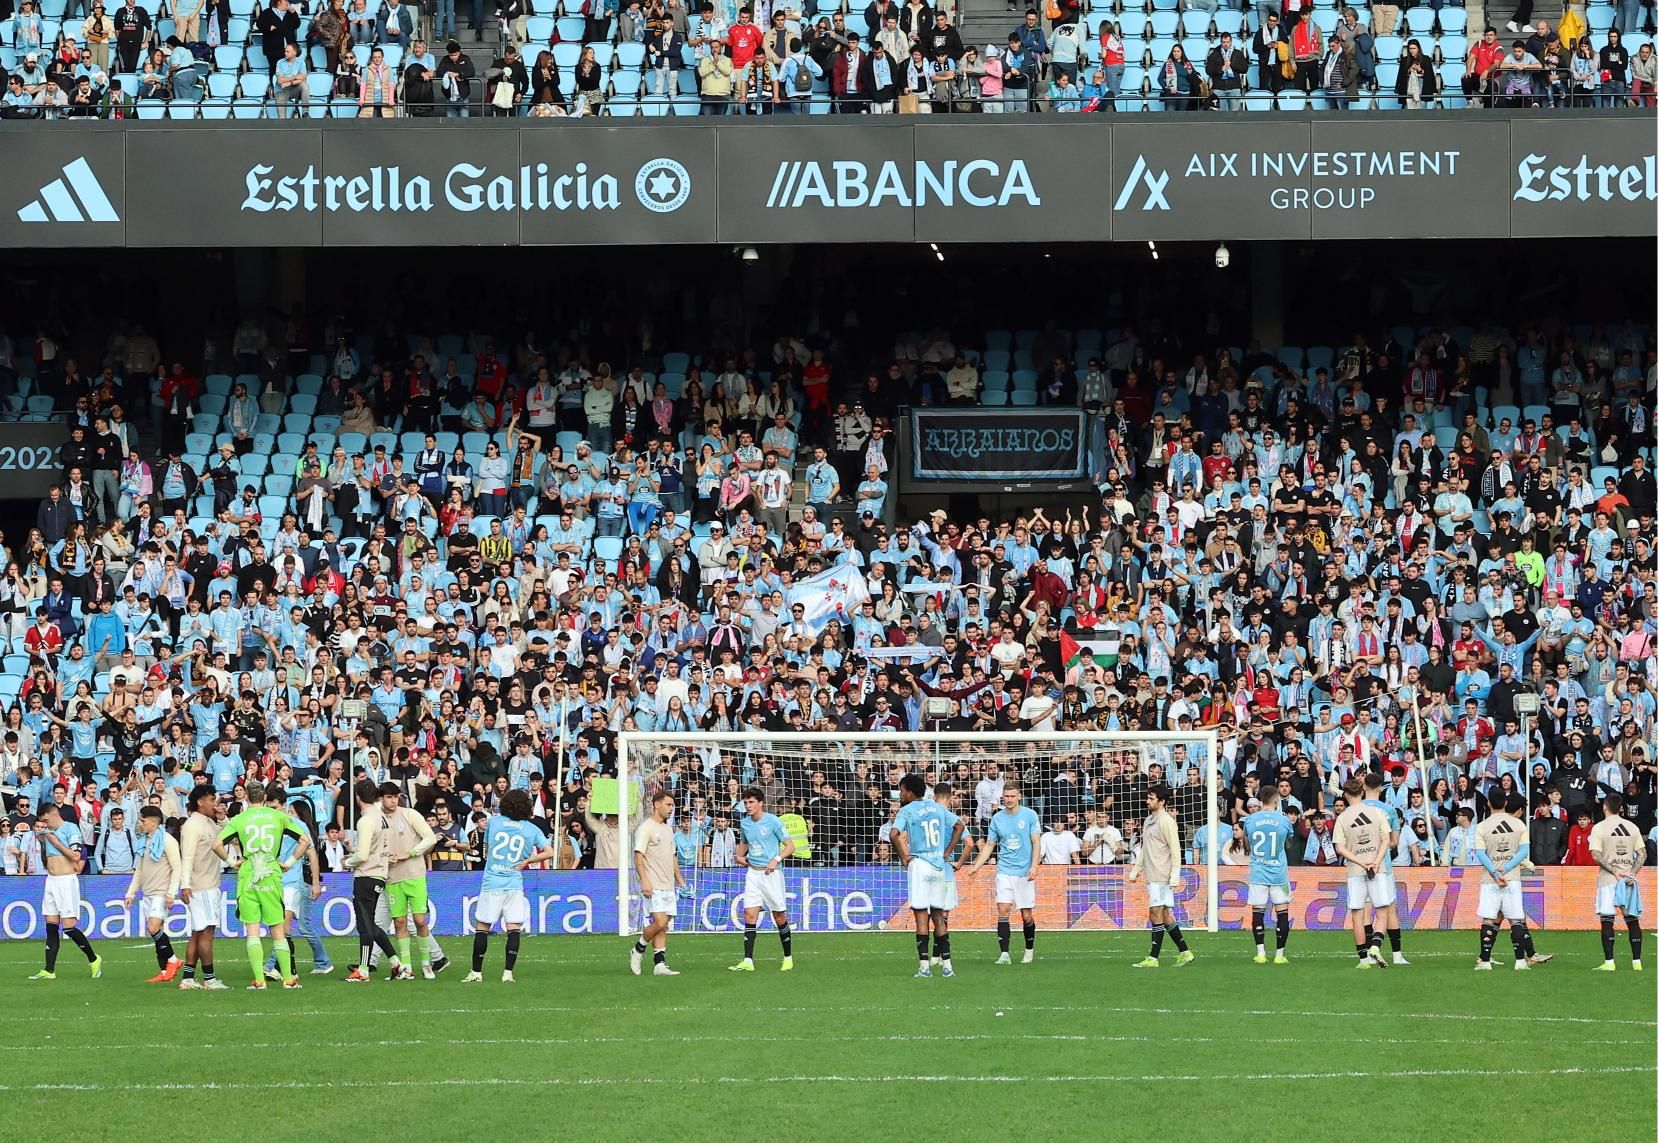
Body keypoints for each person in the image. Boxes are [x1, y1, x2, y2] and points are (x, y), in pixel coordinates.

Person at [212, 779, 309, 989]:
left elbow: (217, 844)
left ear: (246, 797)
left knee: (252, 929)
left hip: (249, 872)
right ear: (265, 798)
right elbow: (305, 841)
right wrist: (290, 863)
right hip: (271, 871)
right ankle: (289, 980)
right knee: (277, 928)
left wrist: (232, 862)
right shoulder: (279, 817)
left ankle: (259, 980)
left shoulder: (239, 819)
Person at [466, 788, 551, 983]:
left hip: (492, 881)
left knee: (482, 927)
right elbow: (549, 851)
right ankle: (507, 974)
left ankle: (476, 973)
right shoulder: (532, 829)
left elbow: (486, 849)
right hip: (514, 882)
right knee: (513, 927)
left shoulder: (494, 823)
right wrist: (528, 860)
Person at [892, 772, 965, 978]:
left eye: (902, 791)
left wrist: (903, 857)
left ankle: (924, 968)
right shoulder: (937, 808)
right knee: (939, 916)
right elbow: (960, 826)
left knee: (921, 918)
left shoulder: (906, 811)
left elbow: (893, 835)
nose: (900, 795)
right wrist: (948, 851)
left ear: (910, 791)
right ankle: (948, 967)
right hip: (939, 866)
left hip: (921, 865)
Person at [966, 780, 1040, 965]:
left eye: (1012, 796)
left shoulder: (1030, 815)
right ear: (1002, 798)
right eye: (1006, 796)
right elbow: (990, 845)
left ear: (1019, 796)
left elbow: (1036, 842)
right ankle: (1004, 954)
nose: (1009, 799)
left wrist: (1034, 866)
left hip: (1024, 872)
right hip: (1004, 870)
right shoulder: (997, 818)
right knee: (1003, 910)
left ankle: (1029, 951)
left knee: (1026, 915)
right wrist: (976, 866)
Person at [1472, 791, 1548, 970]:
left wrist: (1495, 873)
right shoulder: (1518, 824)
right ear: (1506, 802)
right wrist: (1506, 869)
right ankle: (1520, 962)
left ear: (1489, 803)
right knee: (1515, 919)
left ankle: (1484, 962)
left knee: (1489, 920)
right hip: (1512, 878)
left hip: (1490, 880)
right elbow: (1522, 852)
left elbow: (1480, 853)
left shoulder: (1482, 826)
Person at [28, 801, 102, 981]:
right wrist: (43, 839)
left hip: (66, 882)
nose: (45, 825)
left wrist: (54, 840)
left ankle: (94, 959)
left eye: (46, 820)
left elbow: (76, 856)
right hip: (51, 881)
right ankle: (49, 969)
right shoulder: (48, 832)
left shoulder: (71, 829)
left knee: (68, 927)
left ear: (54, 815)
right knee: (51, 925)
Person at [342, 778, 406, 983]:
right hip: (380, 873)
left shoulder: (366, 820)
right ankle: (396, 963)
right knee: (370, 923)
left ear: (358, 798)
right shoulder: (382, 818)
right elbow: (372, 848)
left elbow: (362, 855)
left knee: (364, 925)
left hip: (366, 874)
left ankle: (363, 969)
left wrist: (348, 861)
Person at [729, 786, 796, 973]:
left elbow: (790, 846)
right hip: (753, 874)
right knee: (750, 915)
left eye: (751, 802)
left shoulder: (773, 821)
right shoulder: (745, 824)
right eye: (745, 803)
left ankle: (788, 957)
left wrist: (776, 860)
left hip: (771, 874)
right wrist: (739, 857)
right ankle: (748, 960)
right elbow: (742, 846)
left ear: (760, 803)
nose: (748, 806)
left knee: (779, 916)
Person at [381, 782, 443, 979]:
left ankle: (426, 963)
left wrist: (409, 853)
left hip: (415, 874)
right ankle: (406, 966)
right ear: (381, 798)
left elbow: (430, 838)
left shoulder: (410, 814)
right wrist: (383, 857)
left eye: (395, 796)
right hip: (392, 877)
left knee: (419, 920)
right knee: (399, 922)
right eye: (388, 797)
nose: (392, 800)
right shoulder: (376, 819)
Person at [1130, 783, 1192, 968]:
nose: (1147, 801)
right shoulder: (1149, 821)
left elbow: (1175, 850)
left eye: (1151, 798)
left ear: (1162, 801)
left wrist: (1175, 876)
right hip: (1152, 874)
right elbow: (1144, 849)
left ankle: (1153, 958)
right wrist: (1136, 870)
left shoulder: (1167, 821)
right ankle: (1185, 952)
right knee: (1165, 916)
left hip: (1162, 875)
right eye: (1147, 798)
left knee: (1155, 913)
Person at [1334, 778, 1393, 969]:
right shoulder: (1376, 812)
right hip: (1377, 869)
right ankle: (1376, 945)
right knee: (1382, 911)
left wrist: (1360, 861)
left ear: (1345, 794)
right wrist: (1375, 861)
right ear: (1362, 791)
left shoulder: (1342, 818)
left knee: (1357, 915)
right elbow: (1387, 839)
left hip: (1355, 870)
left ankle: (1363, 960)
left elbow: (1340, 848)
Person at [122, 805, 183, 983]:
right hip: (148, 892)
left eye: (143, 820)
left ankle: (173, 960)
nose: (140, 823)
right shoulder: (145, 841)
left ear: (153, 822)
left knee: (153, 927)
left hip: (161, 892)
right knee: (157, 932)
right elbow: (139, 871)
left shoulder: (167, 840)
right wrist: (131, 893)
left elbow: (176, 867)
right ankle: (165, 972)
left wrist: (171, 893)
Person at [178, 785, 228, 990]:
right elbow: (187, 856)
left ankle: (188, 978)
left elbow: (228, 834)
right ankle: (209, 979)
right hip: (201, 886)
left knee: (198, 932)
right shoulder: (192, 825)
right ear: (200, 801)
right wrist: (185, 884)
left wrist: (222, 817)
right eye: (211, 800)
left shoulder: (209, 822)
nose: (214, 803)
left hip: (208, 883)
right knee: (207, 931)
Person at [630, 790, 684, 976]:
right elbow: (639, 856)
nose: (671, 809)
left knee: (664, 925)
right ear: (657, 804)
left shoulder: (668, 829)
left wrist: (681, 882)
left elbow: (672, 857)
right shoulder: (646, 828)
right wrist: (645, 880)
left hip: (668, 884)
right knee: (659, 922)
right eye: (668, 805)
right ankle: (638, 948)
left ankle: (659, 964)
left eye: (672, 805)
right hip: (653, 884)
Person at [1588, 794, 1645, 971]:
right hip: (1628, 879)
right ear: (1620, 807)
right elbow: (1642, 854)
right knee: (1632, 920)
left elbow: (1595, 854)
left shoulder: (1599, 828)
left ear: (1605, 807)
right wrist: (1632, 873)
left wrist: (1614, 871)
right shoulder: (1632, 827)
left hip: (1608, 879)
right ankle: (1637, 962)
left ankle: (1609, 962)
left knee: (1607, 919)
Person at [1361, 771, 1408, 965]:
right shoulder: (1389, 811)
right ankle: (1396, 955)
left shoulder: (1356, 809)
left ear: (1364, 787)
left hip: (1359, 864)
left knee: (1365, 910)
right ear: (1381, 788)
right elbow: (1394, 842)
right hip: (1382, 865)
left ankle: (1366, 955)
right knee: (1388, 909)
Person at [1242, 785, 1294, 964]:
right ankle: (1280, 955)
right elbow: (1288, 842)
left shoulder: (1250, 821)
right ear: (1276, 799)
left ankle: (1261, 953)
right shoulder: (1284, 820)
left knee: (1258, 912)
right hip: (1278, 873)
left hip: (1258, 872)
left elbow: (1246, 844)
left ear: (1260, 800)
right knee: (1282, 912)